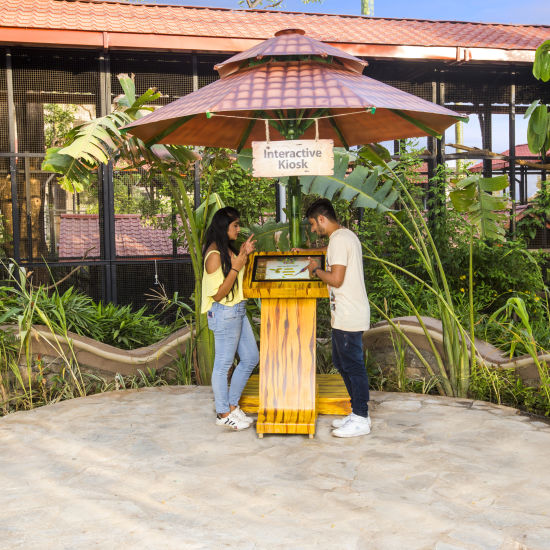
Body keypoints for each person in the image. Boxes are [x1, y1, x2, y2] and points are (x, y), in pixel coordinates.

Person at [301, 198, 371, 437]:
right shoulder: (343, 237)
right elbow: (329, 255)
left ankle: (361, 417)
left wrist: (315, 270)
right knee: (342, 363)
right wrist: (307, 253)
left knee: (352, 365)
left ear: (322, 218)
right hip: (345, 313)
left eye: (313, 224)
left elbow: (336, 279)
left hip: (348, 313)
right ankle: (356, 412)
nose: (313, 229)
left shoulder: (339, 241)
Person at [201, 206, 259, 431]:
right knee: (223, 365)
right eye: (235, 225)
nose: (239, 228)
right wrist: (236, 266)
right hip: (225, 312)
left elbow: (238, 272)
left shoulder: (227, 250)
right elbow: (218, 293)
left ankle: (232, 406)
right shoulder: (214, 256)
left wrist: (244, 253)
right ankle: (223, 412)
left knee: (251, 358)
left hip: (237, 310)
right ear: (224, 227)